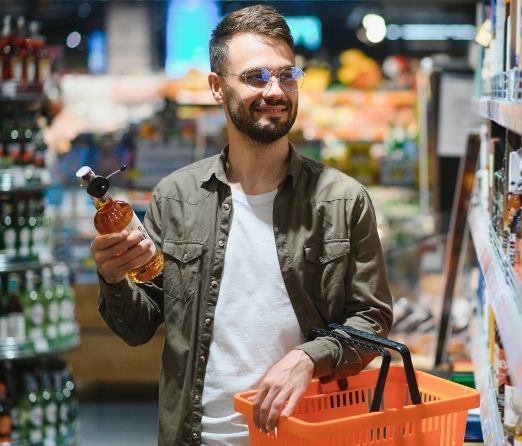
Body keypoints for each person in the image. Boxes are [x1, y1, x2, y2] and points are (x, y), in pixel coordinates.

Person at [88, 5, 393, 445]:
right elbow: (137, 327)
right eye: (255, 77)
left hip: (303, 433)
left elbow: (372, 319)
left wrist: (310, 358)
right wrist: (113, 277)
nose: (276, 90)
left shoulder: (343, 200)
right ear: (216, 87)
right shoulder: (176, 197)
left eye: (287, 76)